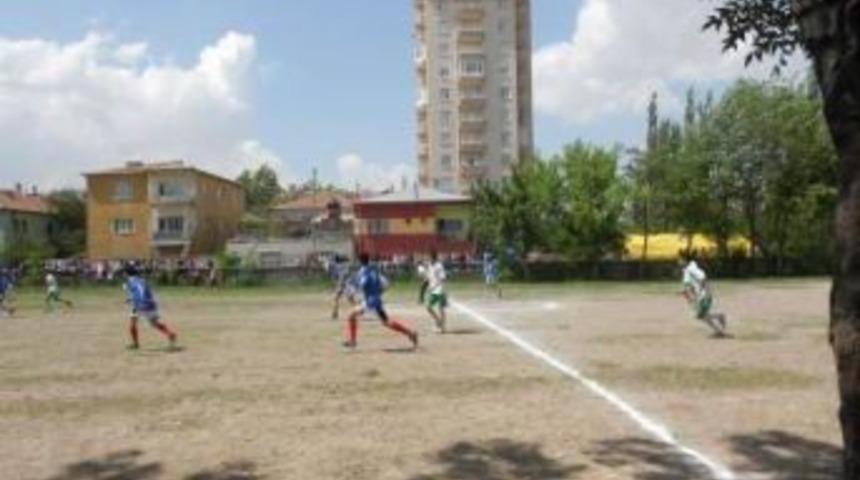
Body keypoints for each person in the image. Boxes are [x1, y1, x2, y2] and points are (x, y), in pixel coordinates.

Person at [344, 253, 418, 350]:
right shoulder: (374, 270)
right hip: (376, 299)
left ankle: (353, 341)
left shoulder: (363, 271)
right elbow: (385, 284)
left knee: (351, 315)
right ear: (368, 259)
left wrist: (354, 291)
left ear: (359, 261)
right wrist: (378, 293)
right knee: (387, 322)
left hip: (370, 301)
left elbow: (363, 283)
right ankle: (410, 333)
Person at [124, 264, 178, 350]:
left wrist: (133, 300)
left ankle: (135, 344)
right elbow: (150, 292)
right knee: (154, 323)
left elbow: (138, 292)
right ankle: (170, 333)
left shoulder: (130, 281)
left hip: (141, 304)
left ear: (126, 273)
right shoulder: (142, 280)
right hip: (151, 303)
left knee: (133, 322)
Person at [680, 258, 728, 337]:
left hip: (703, 296)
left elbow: (699, 282)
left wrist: (702, 291)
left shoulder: (689, 272)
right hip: (703, 295)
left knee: (701, 316)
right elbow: (696, 284)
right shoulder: (692, 271)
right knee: (703, 316)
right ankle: (718, 331)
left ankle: (720, 317)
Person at [422, 251, 449, 333]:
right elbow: (429, 277)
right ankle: (438, 321)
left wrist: (434, 286)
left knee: (441, 308)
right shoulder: (430, 266)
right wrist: (426, 280)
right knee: (428, 307)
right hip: (433, 290)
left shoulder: (439, 266)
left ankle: (443, 327)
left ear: (433, 257)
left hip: (440, 290)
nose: (426, 259)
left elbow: (443, 278)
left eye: (428, 257)